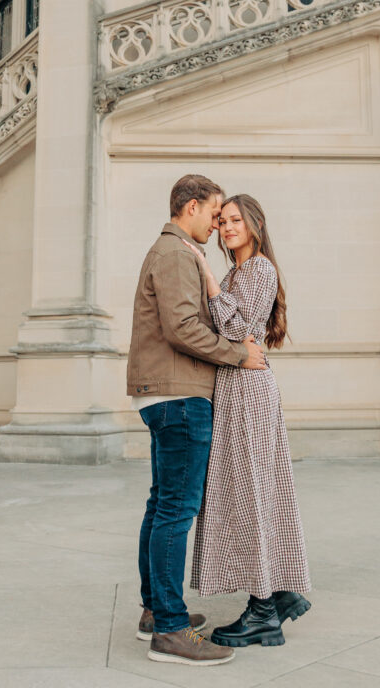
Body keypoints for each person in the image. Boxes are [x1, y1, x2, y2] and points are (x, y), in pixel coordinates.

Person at [127, 174, 268, 666]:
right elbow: (182, 326)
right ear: (190, 208)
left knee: (161, 504)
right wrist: (237, 355)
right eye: (213, 212)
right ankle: (168, 629)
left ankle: (154, 611)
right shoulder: (176, 253)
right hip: (179, 394)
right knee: (176, 510)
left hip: (167, 393)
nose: (217, 222)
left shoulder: (178, 253)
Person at [185, 193, 311, 648]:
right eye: (222, 221)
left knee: (251, 490)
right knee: (250, 489)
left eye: (236, 220)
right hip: (236, 387)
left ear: (255, 224)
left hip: (249, 391)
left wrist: (206, 279)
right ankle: (278, 591)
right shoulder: (238, 272)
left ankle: (262, 611)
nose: (227, 227)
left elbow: (238, 330)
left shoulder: (258, 269)